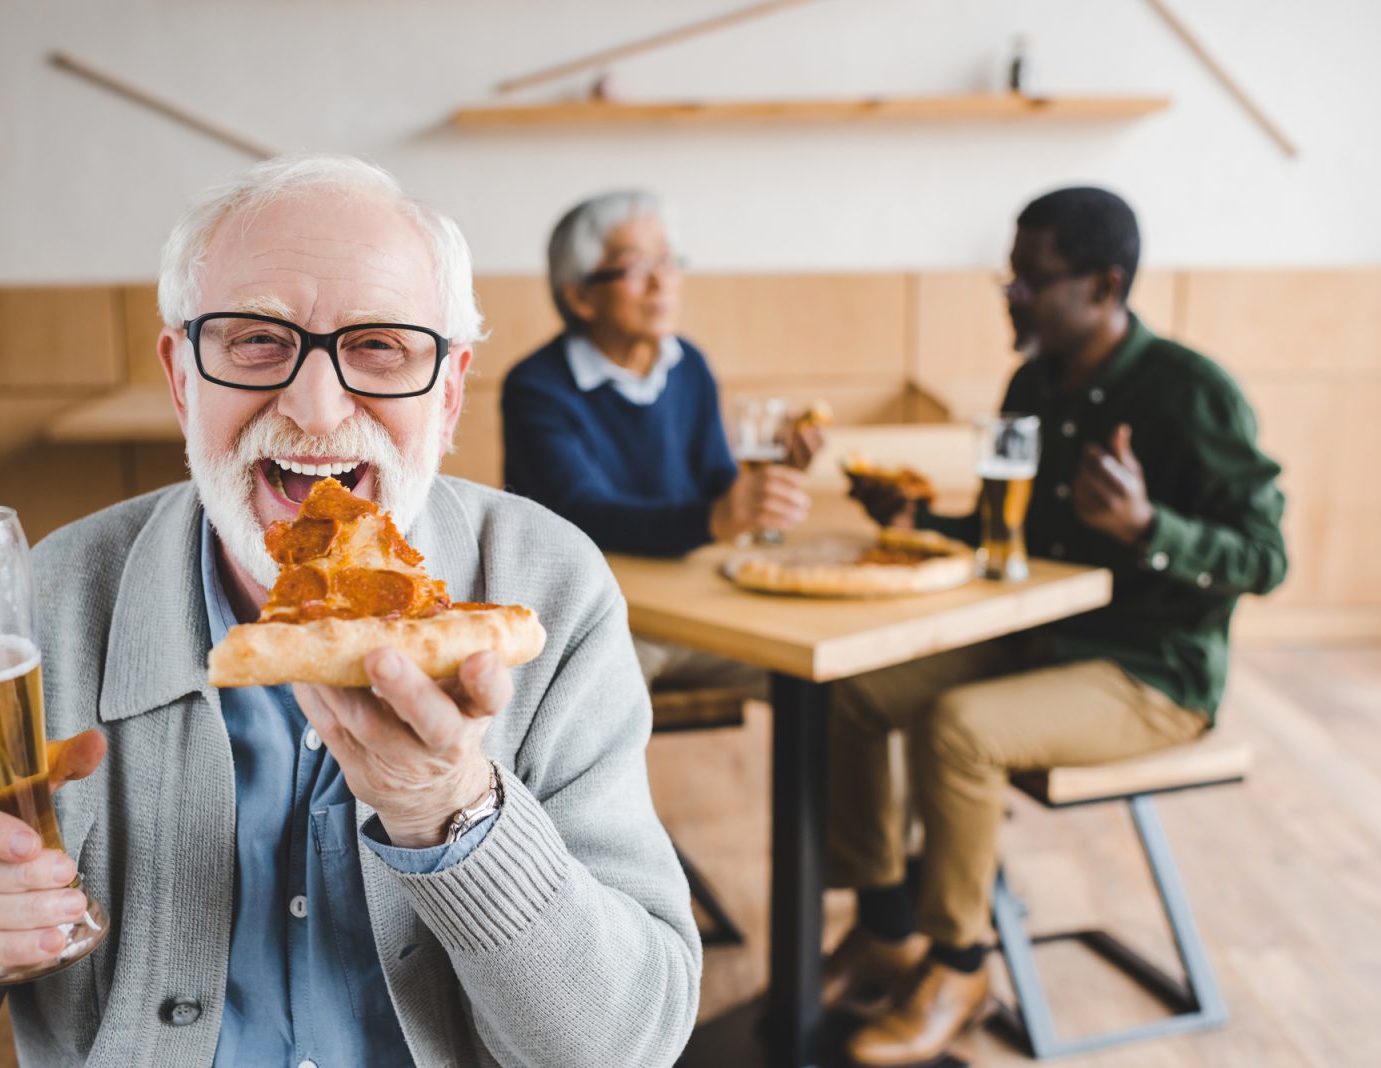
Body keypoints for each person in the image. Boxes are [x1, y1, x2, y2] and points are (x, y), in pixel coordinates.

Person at [0, 156, 700, 1067]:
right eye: (255, 340)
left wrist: (457, 816)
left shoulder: (551, 587)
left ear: (449, 389)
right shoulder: (51, 603)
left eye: (380, 346)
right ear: (183, 377)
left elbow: (626, 1043)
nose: (315, 405)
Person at [825, 186, 1287, 1068]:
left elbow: (1266, 558)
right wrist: (920, 517)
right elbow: (1017, 536)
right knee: (852, 694)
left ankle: (961, 971)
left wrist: (1151, 530)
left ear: (1105, 286)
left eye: (1033, 281)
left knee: (960, 730)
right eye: (1013, 278)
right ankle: (885, 931)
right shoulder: (1032, 382)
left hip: (1152, 673)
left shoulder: (1192, 394)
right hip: (1035, 640)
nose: (1013, 296)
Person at [501, 189, 814, 691]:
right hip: (604, 622)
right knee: (595, 699)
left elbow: (718, 485)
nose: (662, 281)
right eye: (635, 266)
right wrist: (714, 518)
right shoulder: (537, 387)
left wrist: (768, 487)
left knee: (816, 682)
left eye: (668, 261)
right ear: (581, 294)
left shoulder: (689, 364)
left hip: (698, 614)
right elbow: (581, 513)